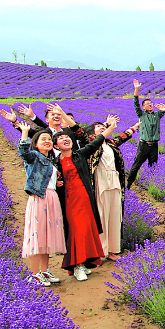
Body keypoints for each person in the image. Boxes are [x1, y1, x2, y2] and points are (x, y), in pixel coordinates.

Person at [53, 116, 120, 281]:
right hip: (70, 201)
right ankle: (77, 266)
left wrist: (110, 127)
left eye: (66, 137)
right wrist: (57, 182)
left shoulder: (79, 154)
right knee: (76, 232)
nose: (65, 139)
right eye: (60, 139)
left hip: (85, 199)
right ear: (56, 146)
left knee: (87, 231)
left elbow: (97, 140)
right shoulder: (55, 162)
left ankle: (85, 262)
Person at [17, 123, 65, 287]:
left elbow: (47, 179)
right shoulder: (34, 157)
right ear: (35, 144)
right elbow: (23, 153)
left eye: (49, 139)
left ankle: (45, 270)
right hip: (39, 198)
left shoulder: (49, 160)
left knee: (46, 238)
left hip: (51, 197)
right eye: (42, 139)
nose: (47, 141)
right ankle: (34, 273)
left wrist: (56, 182)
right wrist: (24, 132)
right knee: (36, 236)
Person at [85, 118, 140, 259]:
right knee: (101, 214)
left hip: (114, 179)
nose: (102, 128)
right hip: (100, 180)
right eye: (98, 127)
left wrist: (135, 126)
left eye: (103, 126)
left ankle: (113, 250)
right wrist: (108, 125)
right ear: (92, 132)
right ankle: (100, 251)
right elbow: (78, 131)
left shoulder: (111, 144)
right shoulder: (91, 144)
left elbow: (124, 136)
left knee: (115, 214)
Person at [126, 80, 165, 189]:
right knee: (136, 165)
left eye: (151, 104)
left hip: (154, 145)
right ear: (143, 107)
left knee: (153, 166)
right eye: (147, 104)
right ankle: (128, 184)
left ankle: (151, 185)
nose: (150, 105)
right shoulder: (141, 114)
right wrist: (136, 89)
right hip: (143, 145)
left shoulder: (157, 115)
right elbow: (135, 103)